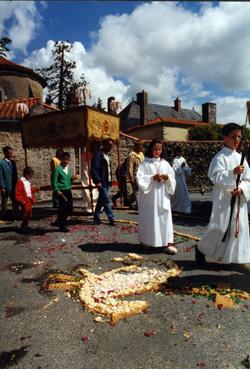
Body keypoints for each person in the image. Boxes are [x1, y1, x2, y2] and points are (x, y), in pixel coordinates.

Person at [196, 123, 250, 266]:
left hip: (238, 198)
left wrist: (242, 189)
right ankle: (201, 248)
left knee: (238, 228)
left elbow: (247, 179)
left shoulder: (241, 158)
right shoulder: (219, 157)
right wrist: (232, 172)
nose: (237, 139)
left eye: (239, 136)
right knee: (220, 227)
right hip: (224, 198)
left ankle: (234, 257)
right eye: (233, 136)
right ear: (225, 138)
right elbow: (215, 177)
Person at [136, 138, 177, 254]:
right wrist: (151, 178)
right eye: (155, 149)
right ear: (151, 149)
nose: (157, 151)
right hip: (150, 196)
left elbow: (172, 178)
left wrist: (167, 178)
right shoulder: (145, 163)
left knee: (164, 218)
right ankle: (148, 242)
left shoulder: (165, 163)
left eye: (160, 149)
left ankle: (166, 243)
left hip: (162, 195)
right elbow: (139, 177)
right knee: (151, 218)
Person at [91, 139, 115, 226]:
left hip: (106, 181)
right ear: (104, 145)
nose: (110, 148)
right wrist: (97, 181)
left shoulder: (106, 155)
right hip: (101, 181)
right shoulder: (98, 155)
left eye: (111, 146)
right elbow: (94, 169)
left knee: (101, 200)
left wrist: (110, 180)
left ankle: (96, 215)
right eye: (109, 146)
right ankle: (111, 217)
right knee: (106, 199)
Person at [52, 152, 77, 232]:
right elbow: (54, 181)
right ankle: (62, 225)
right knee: (63, 209)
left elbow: (69, 179)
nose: (66, 161)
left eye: (68, 159)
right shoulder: (57, 169)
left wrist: (73, 178)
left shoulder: (68, 169)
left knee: (69, 208)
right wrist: (57, 190)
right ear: (61, 160)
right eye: (65, 159)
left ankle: (59, 220)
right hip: (61, 191)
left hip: (68, 190)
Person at [15, 167, 40, 234]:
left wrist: (35, 189)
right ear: (27, 174)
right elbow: (18, 193)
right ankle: (23, 227)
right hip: (24, 201)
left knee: (29, 214)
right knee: (25, 214)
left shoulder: (27, 182)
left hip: (28, 200)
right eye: (30, 175)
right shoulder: (20, 182)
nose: (31, 177)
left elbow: (29, 190)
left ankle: (25, 225)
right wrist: (22, 201)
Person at [171, 146, 192, 214]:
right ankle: (177, 207)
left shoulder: (183, 159)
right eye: (180, 151)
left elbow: (185, 168)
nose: (182, 153)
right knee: (180, 193)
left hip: (182, 178)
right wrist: (181, 167)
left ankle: (185, 207)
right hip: (178, 179)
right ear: (177, 152)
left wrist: (188, 170)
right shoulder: (175, 160)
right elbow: (176, 170)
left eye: (182, 151)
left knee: (184, 193)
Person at [0, 146, 18, 220]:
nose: (11, 153)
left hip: (14, 185)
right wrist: (2, 186)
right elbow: (0, 175)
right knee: (4, 201)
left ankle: (16, 214)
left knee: (15, 200)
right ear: (5, 153)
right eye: (9, 152)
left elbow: (15, 174)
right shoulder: (1, 163)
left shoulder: (13, 162)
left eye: (11, 152)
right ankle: (3, 215)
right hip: (6, 186)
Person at [81, 143, 99, 213]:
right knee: (88, 188)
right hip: (87, 174)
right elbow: (85, 167)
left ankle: (93, 205)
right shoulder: (85, 155)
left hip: (91, 173)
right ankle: (90, 205)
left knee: (93, 189)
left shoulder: (93, 155)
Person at [126, 141, 145, 209]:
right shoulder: (131, 155)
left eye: (141, 146)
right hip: (136, 175)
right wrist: (131, 178)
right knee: (137, 191)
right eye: (139, 146)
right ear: (135, 146)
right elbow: (130, 167)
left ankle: (129, 201)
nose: (140, 147)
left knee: (142, 190)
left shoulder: (142, 154)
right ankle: (140, 206)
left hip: (143, 175)